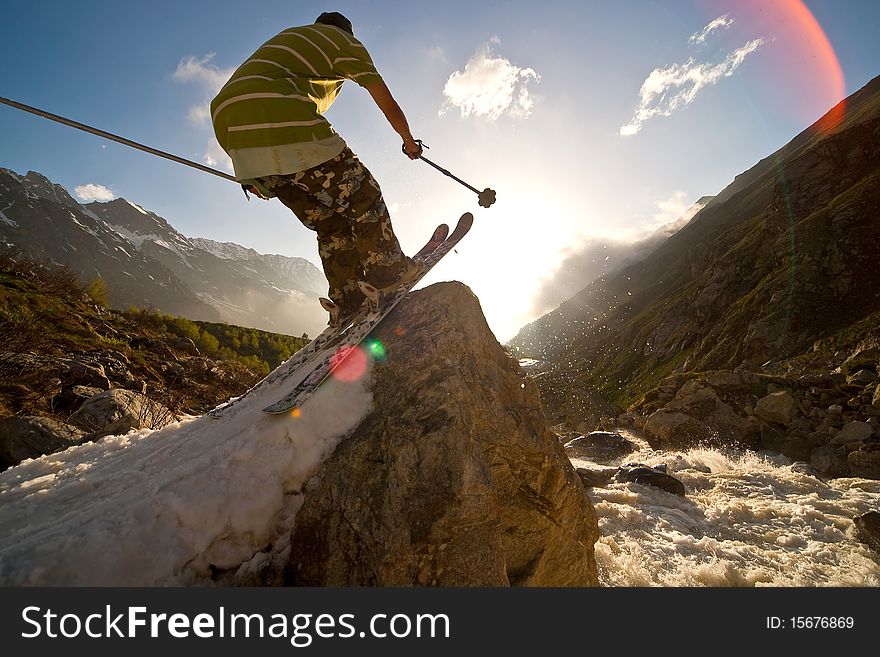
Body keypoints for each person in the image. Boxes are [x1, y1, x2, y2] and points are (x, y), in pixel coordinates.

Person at [211, 11, 424, 327]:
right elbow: (385, 101)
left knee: (330, 224)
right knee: (363, 195)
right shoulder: (344, 43)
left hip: (230, 128)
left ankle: (348, 297)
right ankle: (389, 272)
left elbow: (245, 102)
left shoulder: (293, 39)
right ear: (346, 32)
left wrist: (253, 174)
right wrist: (408, 140)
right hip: (282, 116)